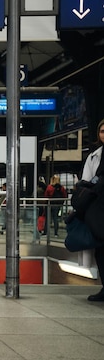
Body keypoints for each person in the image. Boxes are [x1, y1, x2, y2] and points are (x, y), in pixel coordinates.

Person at [83, 118, 104, 301]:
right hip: (98, 210)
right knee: (100, 249)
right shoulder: (93, 156)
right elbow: (85, 182)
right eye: (102, 131)